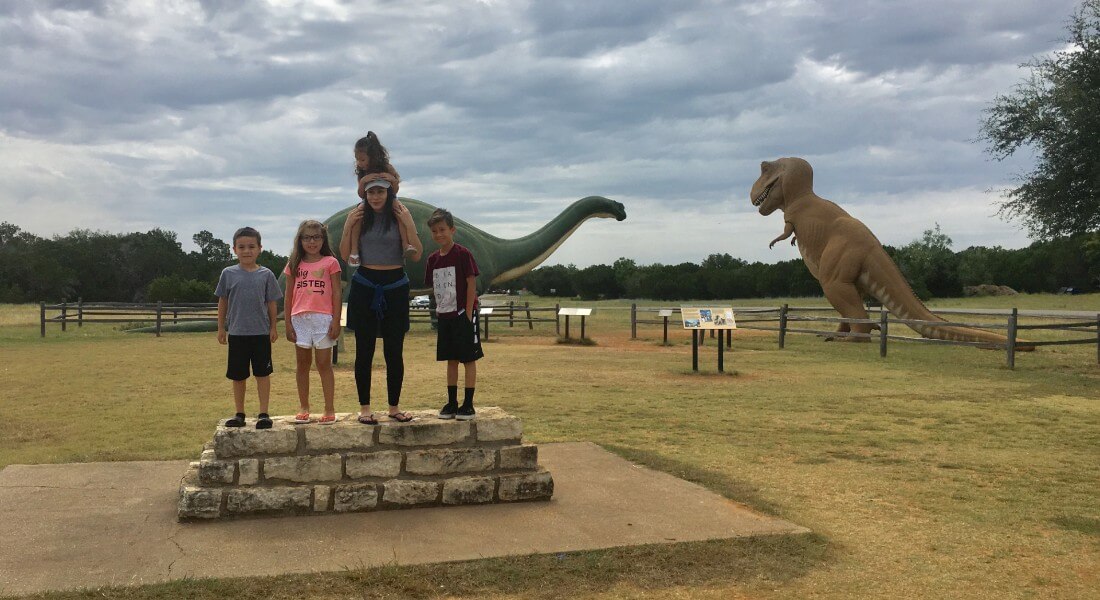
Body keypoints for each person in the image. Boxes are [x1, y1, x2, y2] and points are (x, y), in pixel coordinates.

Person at [340, 178, 423, 424]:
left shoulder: (399, 215)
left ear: (388, 193)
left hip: (395, 286)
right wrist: (347, 227)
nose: (376, 197)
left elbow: (416, 254)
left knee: (394, 351)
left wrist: (409, 224)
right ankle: (365, 408)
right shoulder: (359, 217)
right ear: (365, 194)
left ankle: (394, 407)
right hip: (365, 284)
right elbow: (346, 256)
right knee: (364, 351)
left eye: (380, 192)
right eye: (371, 192)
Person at [215, 227, 283, 429]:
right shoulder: (228, 274)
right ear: (234, 249)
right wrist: (221, 328)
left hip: (261, 333)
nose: (247, 251)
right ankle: (239, 413)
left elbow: (272, 303)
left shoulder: (266, 275)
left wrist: (273, 327)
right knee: (238, 375)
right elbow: (222, 302)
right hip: (237, 333)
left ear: (260, 248)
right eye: (242, 247)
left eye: (251, 246)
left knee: (262, 374)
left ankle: (263, 413)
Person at [424, 208, 484, 421]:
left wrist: (468, 312)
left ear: (452, 230)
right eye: (434, 231)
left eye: (442, 230)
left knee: (468, 358)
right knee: (451, 359)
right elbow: (433, 287)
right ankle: (452, 402)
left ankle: (468, 403)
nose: (439, 234)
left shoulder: (462, 254)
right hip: (445, 315)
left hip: (463, 313)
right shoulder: (432, 259)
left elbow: (471, 282)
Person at [283, 220, 343, 425]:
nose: (312, 241)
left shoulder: (330, 262)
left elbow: (336, 292)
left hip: (323, 318)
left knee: (324, 363)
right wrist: (288, 323)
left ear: (323, 239)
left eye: (316, 237)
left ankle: (329, 408)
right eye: (307, 237)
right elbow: (288, 294)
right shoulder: (293, 264)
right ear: (300, 240)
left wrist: (337, 321)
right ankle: (304, 407)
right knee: (302, 364)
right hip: (299, 318)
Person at [346, 132, 414, 267]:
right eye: (357, 159)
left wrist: (392, 180)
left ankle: (406, 244)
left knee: (400, 212)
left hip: (389, 197)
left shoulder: (387, 167)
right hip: (368, 198)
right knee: (357, 215)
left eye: (362, 159)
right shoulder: (362, 173)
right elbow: (361, 194)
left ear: (372, 157)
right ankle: (354, 250)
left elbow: (395, 189)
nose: (359, 163)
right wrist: (363, 181)